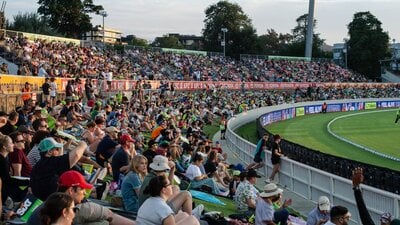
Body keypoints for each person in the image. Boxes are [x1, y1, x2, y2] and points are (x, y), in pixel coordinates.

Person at [28, 170, 135, 225]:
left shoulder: (51, 203)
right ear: (71, 190)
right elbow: (109, 215)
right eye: (82, 189)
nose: (85, 193)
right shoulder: (76, 210)